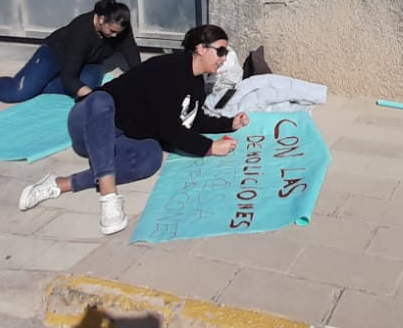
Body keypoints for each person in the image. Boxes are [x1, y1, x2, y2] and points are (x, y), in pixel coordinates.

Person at [15, 24, 250, 234]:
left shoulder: (197, 83)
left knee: (150, 157)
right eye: (221, 50)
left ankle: (59, 184)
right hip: (88, 123)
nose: (224, 57)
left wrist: (228, 124)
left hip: (118, 140)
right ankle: (109, 197)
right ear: (200, 48)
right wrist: (208, 147)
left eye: (226, 52)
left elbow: (191, 120)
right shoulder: (168, 69)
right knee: (101, 99)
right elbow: (170, 130)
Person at [0, 0, 141, 102]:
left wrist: (142, 77)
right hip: (55, 55)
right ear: (100, 19)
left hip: (89, 63)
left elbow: (130, 51)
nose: (115, 36)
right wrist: (91, 97)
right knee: (18, 93)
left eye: (119, 32)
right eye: (111, 31)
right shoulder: (81, 31)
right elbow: (70, 76)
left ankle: (37, 86)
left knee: (88, 83)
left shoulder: (120, 26)